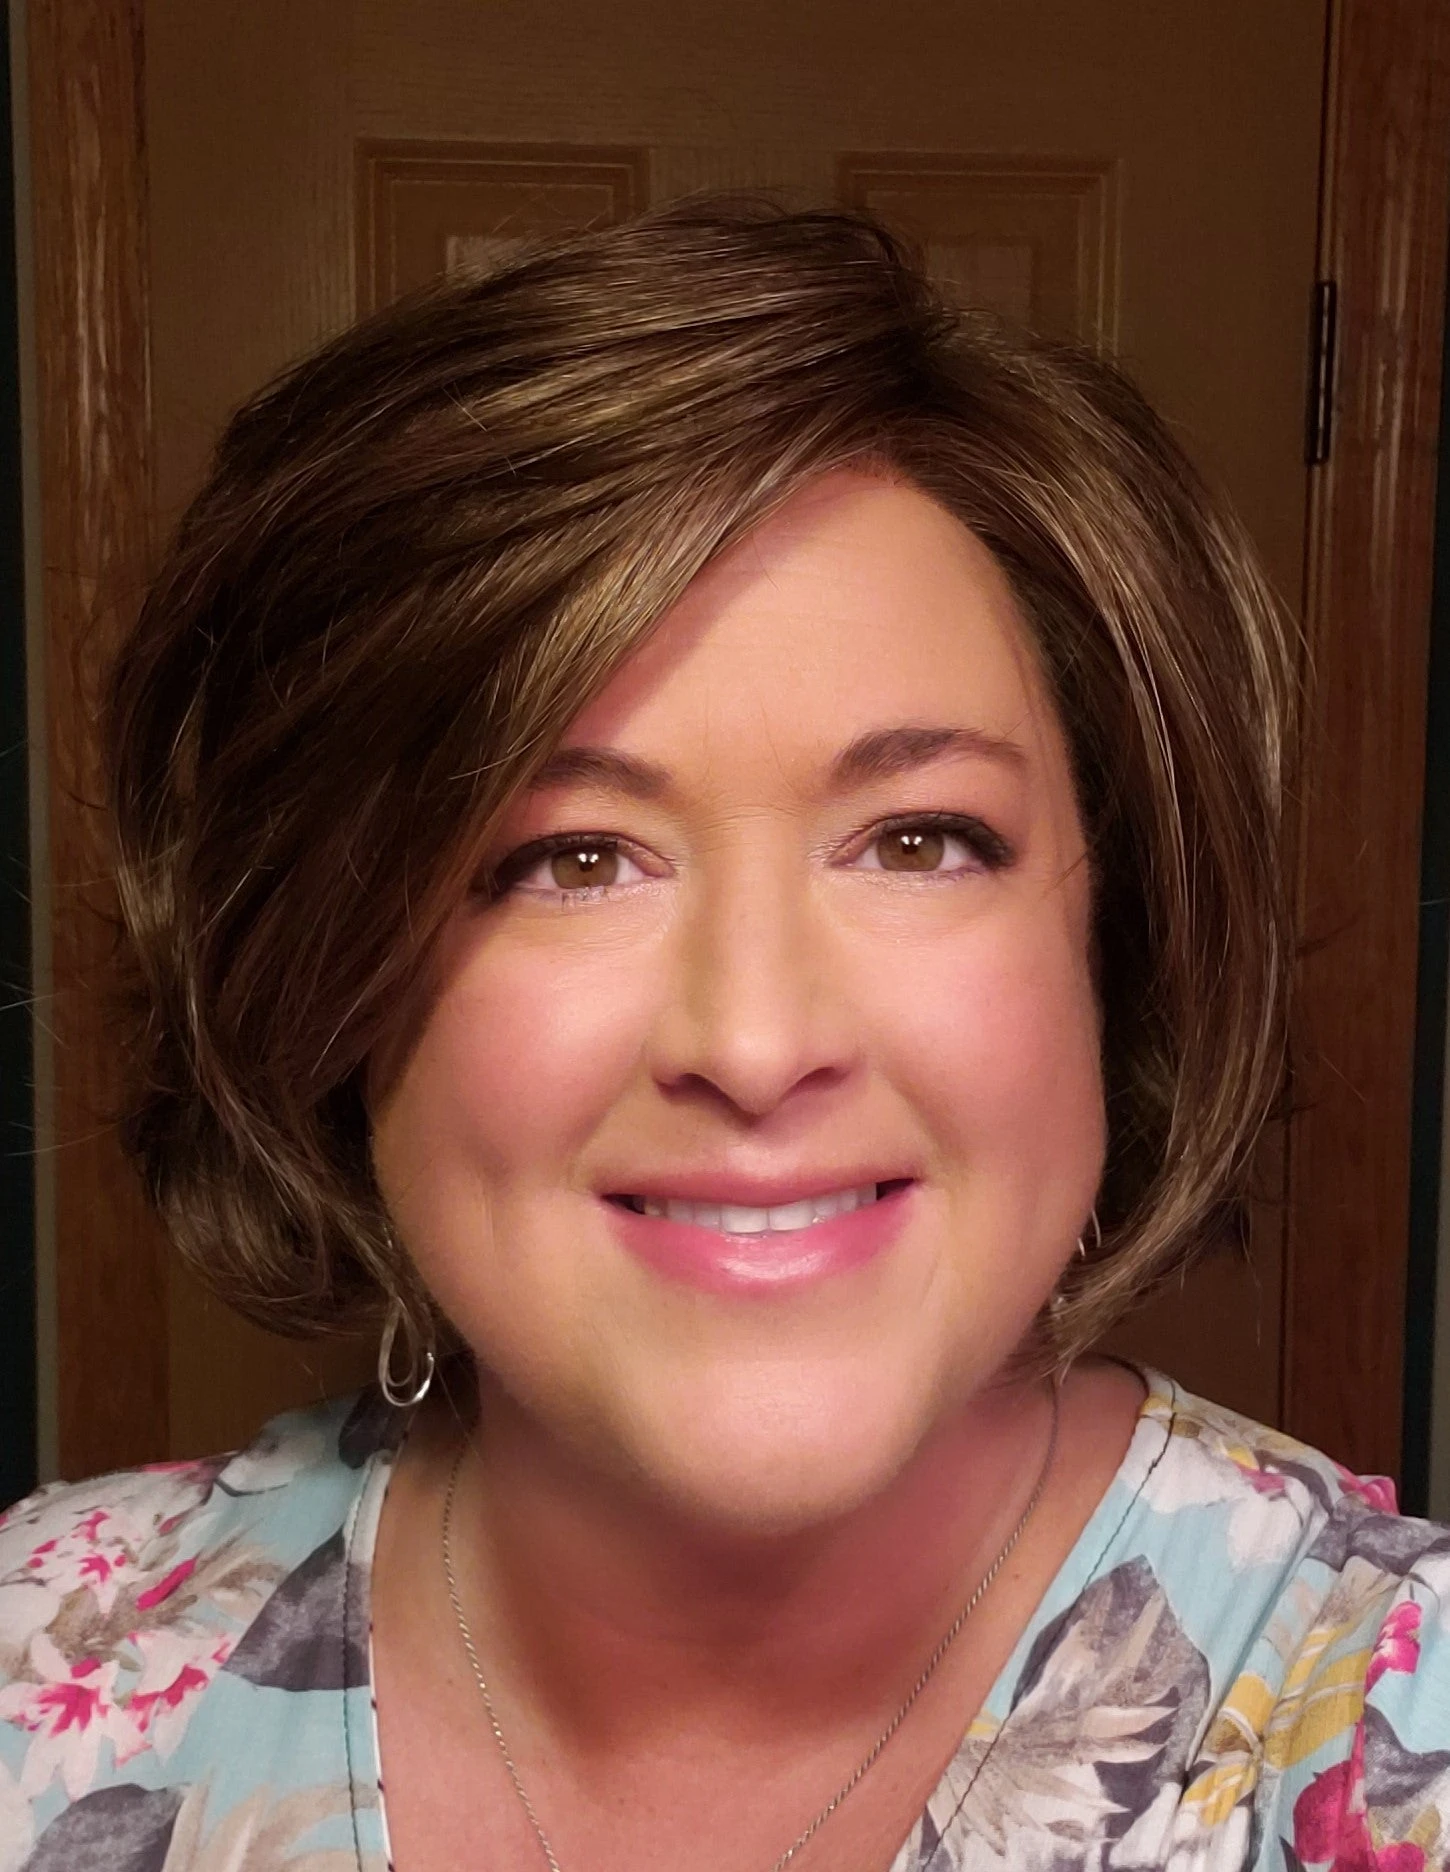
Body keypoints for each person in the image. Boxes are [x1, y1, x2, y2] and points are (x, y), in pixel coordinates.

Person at [1, 199, 1447, 1872]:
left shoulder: (1391, 1733)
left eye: (918, 840)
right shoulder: (42, 1674)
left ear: (1109, 945)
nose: (755, 1044)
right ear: (329, 976)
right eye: (567, 859)